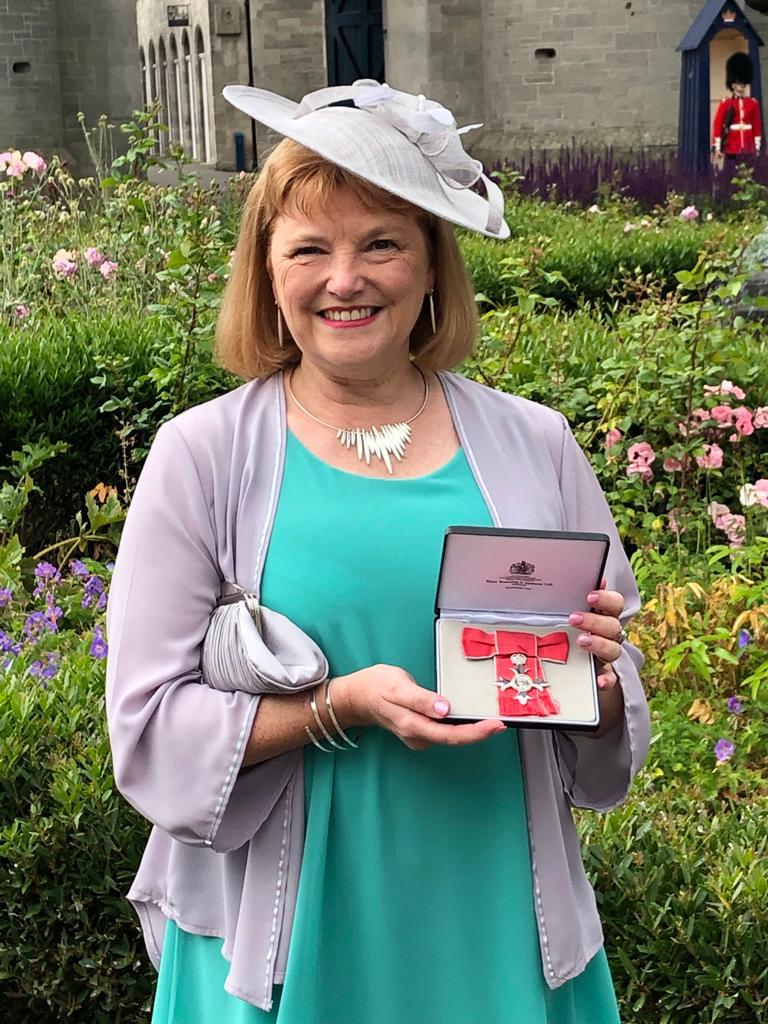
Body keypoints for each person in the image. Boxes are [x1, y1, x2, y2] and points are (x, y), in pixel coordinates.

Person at [106, 80, 650, 1024]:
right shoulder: (201, 457)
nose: (344, 279)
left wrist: (599, 684)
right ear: (268, 274)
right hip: (296, 915)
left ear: (432, 266)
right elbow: (148, 730)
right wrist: (336, 705)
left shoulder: (536, 444)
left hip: (493, 910)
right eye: (309, 248)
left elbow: (609, 708)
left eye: (382, 243)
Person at [713, 52, 762, 161]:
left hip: (748, 146)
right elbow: (718, 124)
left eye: (743, 84)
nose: (742, 87)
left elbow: (756, 124)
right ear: (733, 84)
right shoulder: (726, 103)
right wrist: (718, 147)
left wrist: (757, 146)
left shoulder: (752, 103)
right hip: (732, 146)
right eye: (740, 84)